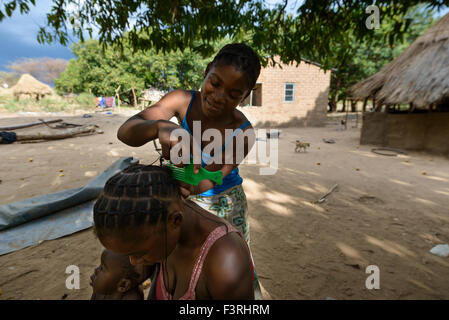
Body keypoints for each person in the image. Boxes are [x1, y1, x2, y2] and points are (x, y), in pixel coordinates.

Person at [117, 43, 261, 246]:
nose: (219, 97)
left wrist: (171, 182)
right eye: (215, 83)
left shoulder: (243, 134)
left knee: (222, 265)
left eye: (233, 94)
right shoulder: (180, 100)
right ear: (206, 70)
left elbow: (203, 182)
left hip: (222, 203)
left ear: (245, 96)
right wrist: (161, 126)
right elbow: (125, 132)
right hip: (179, 195)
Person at [93, 164, 255, 300]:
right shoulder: (156, 235)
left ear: (175, 221)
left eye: (139, 253)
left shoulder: (226, 265)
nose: (134, 261)